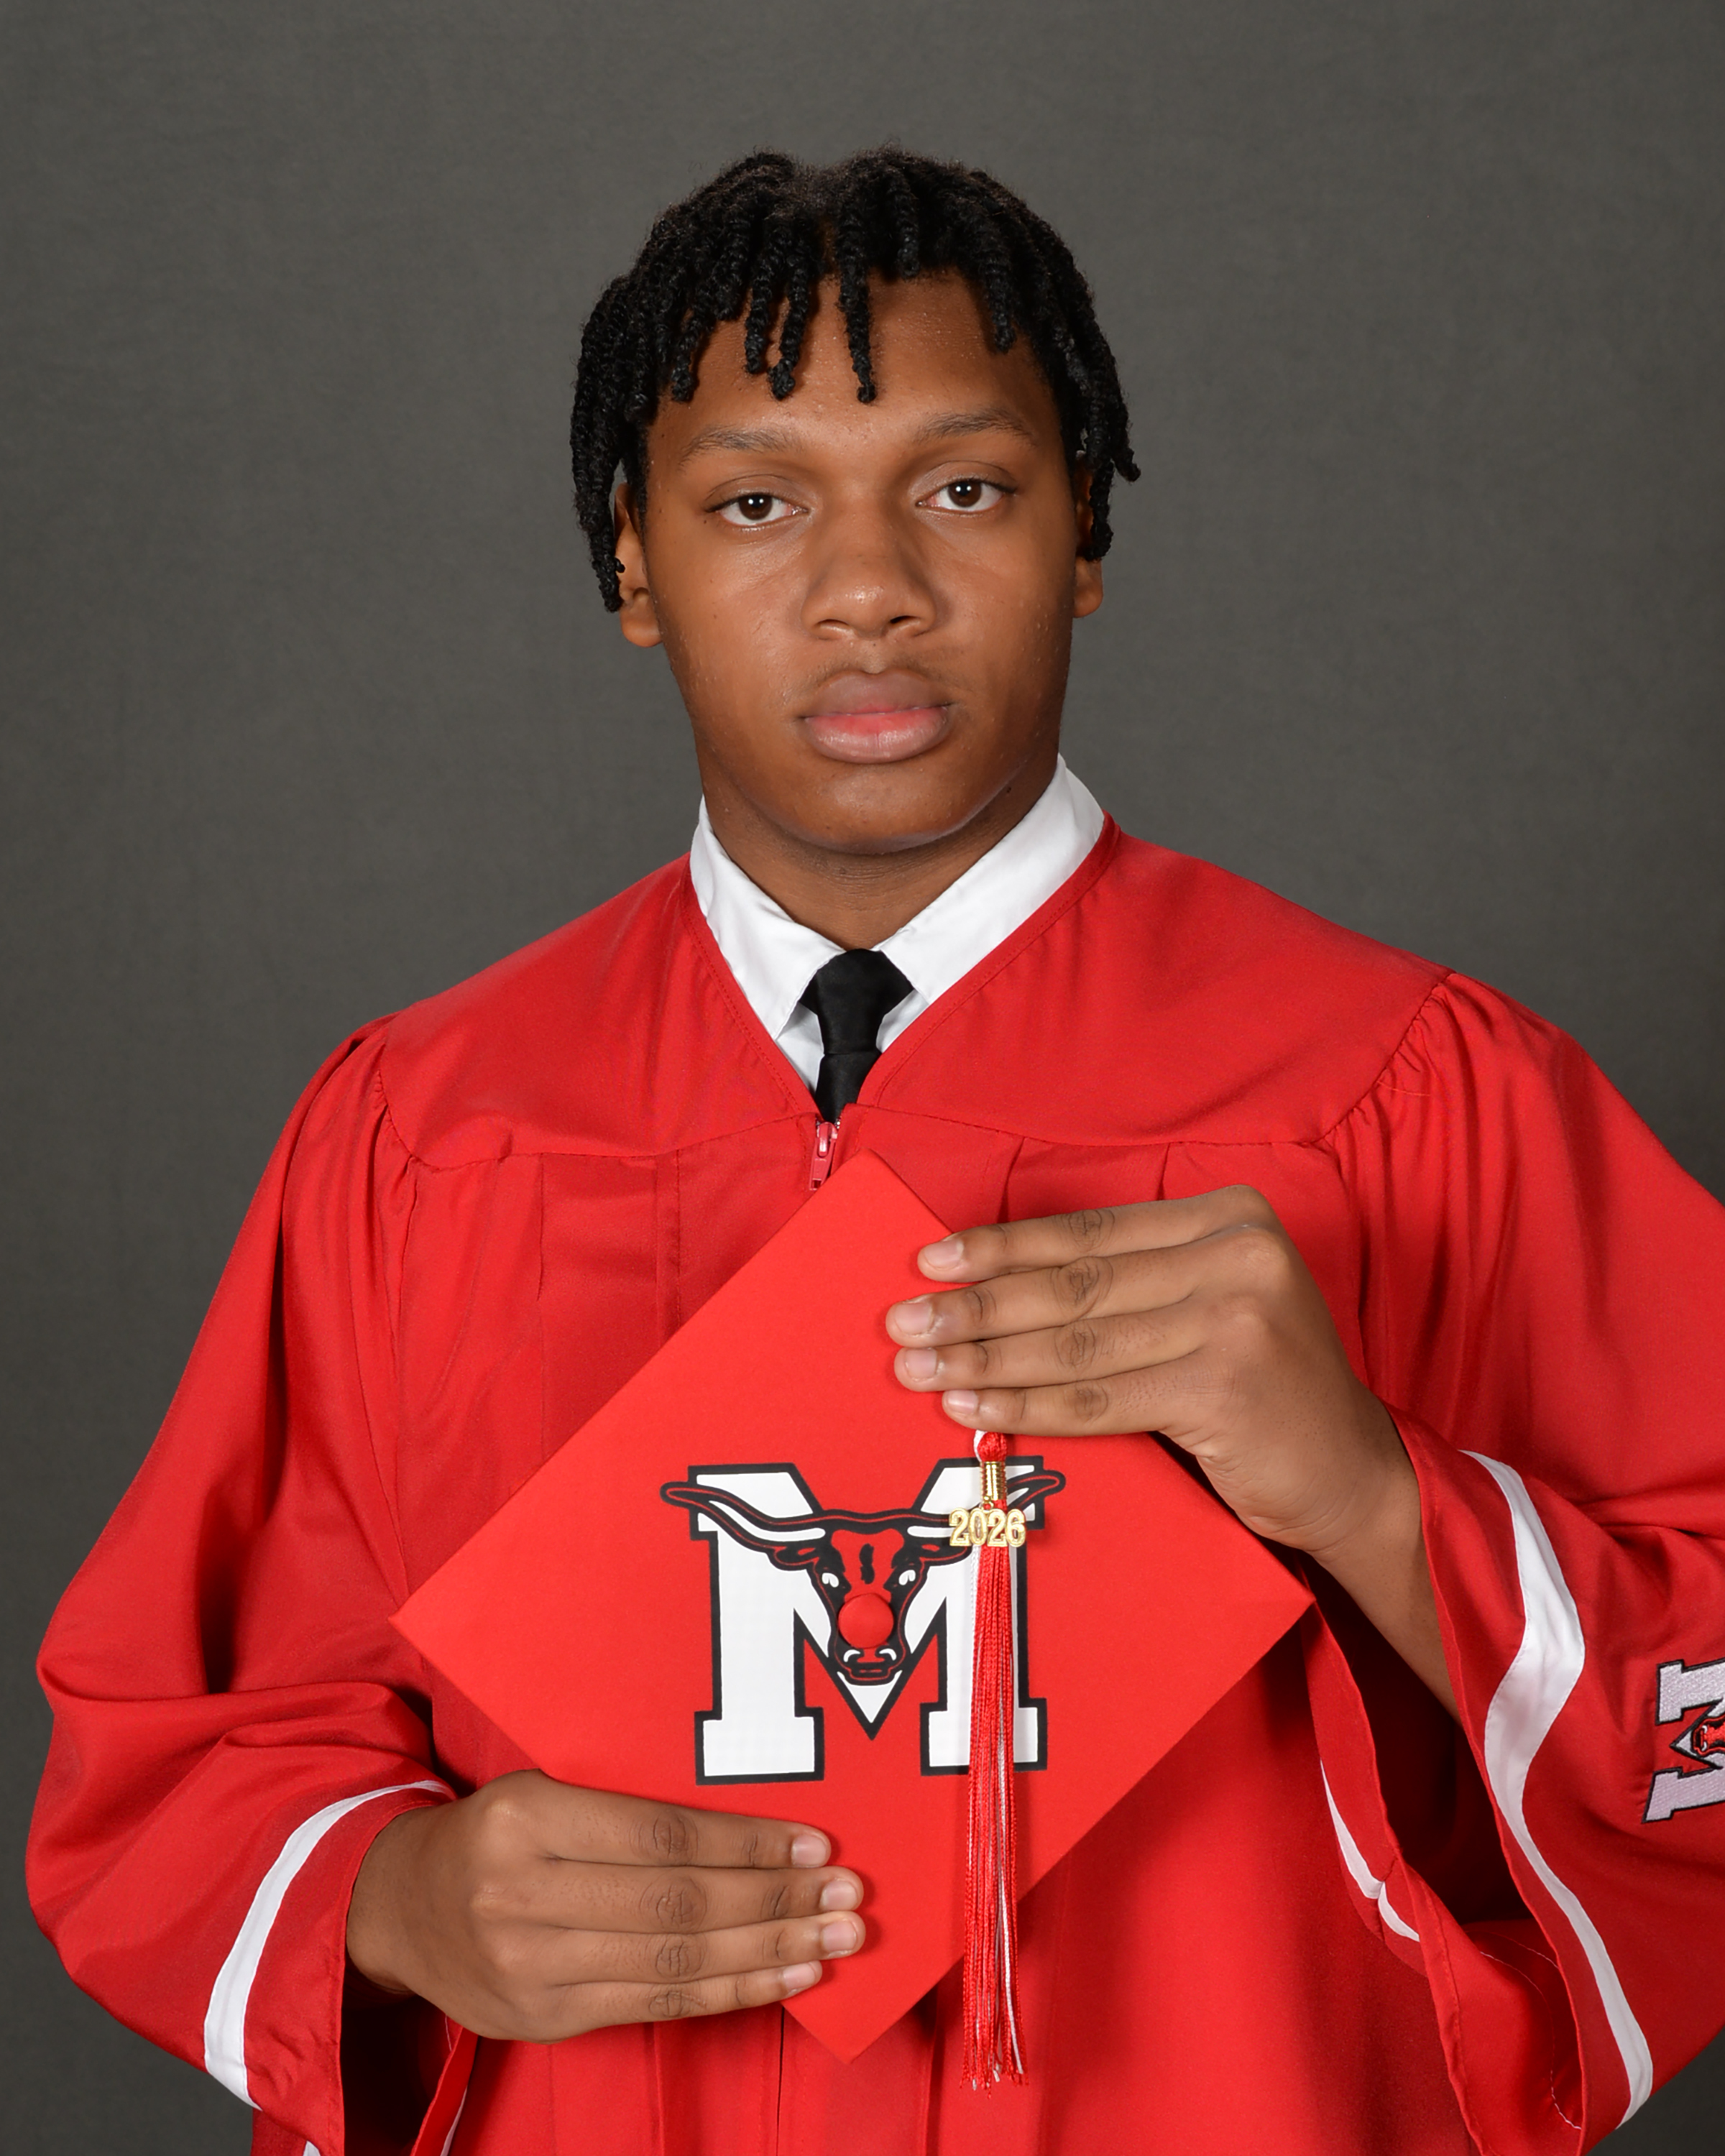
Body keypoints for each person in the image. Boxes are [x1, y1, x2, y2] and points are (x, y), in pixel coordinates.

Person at [27, 147, 1725, 2156]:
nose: (869, 587)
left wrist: (1376, 1496)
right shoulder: (431, 1134)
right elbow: (186, 1746)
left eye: (968, 489)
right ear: (631, 563)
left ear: (1086, 530)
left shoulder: (1404, 1096)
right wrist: (400, 1903)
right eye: (756, 503)